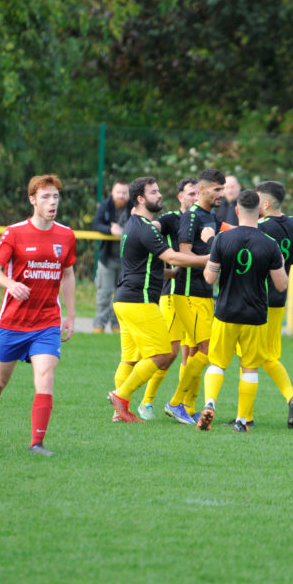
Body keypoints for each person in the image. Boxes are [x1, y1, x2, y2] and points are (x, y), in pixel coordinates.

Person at [0, 175, 77, 457]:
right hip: (13, 323)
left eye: (55, 197)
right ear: (32, 200)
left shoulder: (66, 235)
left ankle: (37, 444)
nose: (52, 202)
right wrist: (10, 284)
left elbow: (68, 274)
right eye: (45, 197)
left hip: (47, 322)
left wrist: (71, 315)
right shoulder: (14, 233)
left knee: (45, 376)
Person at [107, 177, 208, 423]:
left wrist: (170, 274)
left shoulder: (133, 224)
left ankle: (119, 411)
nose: (159, 194)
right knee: (163, 353)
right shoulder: (146, 228)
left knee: (129, 358)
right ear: (140, 198)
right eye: (154, 192)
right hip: (139, 301)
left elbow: (143, 265)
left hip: (123, 300)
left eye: (159, 190)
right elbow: (173, 256)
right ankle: (122, 396)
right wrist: (209, 259)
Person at [195, 189, 287, 432]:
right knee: (249, 368)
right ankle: (242, 421)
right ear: (259, 210)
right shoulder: (270, 244)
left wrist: (212, 248)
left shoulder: (223, 240)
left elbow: (208, 278)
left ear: (236, 211)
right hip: (255, 316)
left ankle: (210, 403)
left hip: (226, 312)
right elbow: (281, 284)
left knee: (216, 364)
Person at [129, 177, 198, 420]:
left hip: (197, 295)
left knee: (194, 352)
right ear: (181, 197)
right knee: (169, 351)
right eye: (191, 193)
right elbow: (149, 230)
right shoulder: (171, 219)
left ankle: (184, 405)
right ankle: (146, 402)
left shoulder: (204, 219)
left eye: (199, 193)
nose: (196, 197)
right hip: (171, 292)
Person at [164, 169, 225, 423]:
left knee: (199, 352)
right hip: (188, 293)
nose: (221, 194)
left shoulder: (211, 216)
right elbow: (184, 256)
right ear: (202, 191)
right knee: (208, 350)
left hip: (204, 294)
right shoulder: (191, 218)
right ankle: (175, 403)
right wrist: (212, 257)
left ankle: (187, 406)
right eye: (216, 189)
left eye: (222, 189)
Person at [251, 180, 293, 428]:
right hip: (279, 300)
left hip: (257, 299)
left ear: (267, 203)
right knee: (268, 355)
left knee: (250, 358)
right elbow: (291, 261)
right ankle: (291, 396)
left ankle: (245, 416)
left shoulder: (261, 227)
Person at [91, 179, 132, 333]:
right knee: (104, 293)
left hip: (126, 260)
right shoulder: (105, 206)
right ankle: (98, 326)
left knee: (122, 295)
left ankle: (117, 325)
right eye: (118, 192)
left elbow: (142, 224)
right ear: (113, 192)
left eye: (124, 193)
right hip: (106, 259)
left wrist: (123, 230)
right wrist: (111, 230)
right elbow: (96, 224)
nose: (121, 196)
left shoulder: (134, 207)